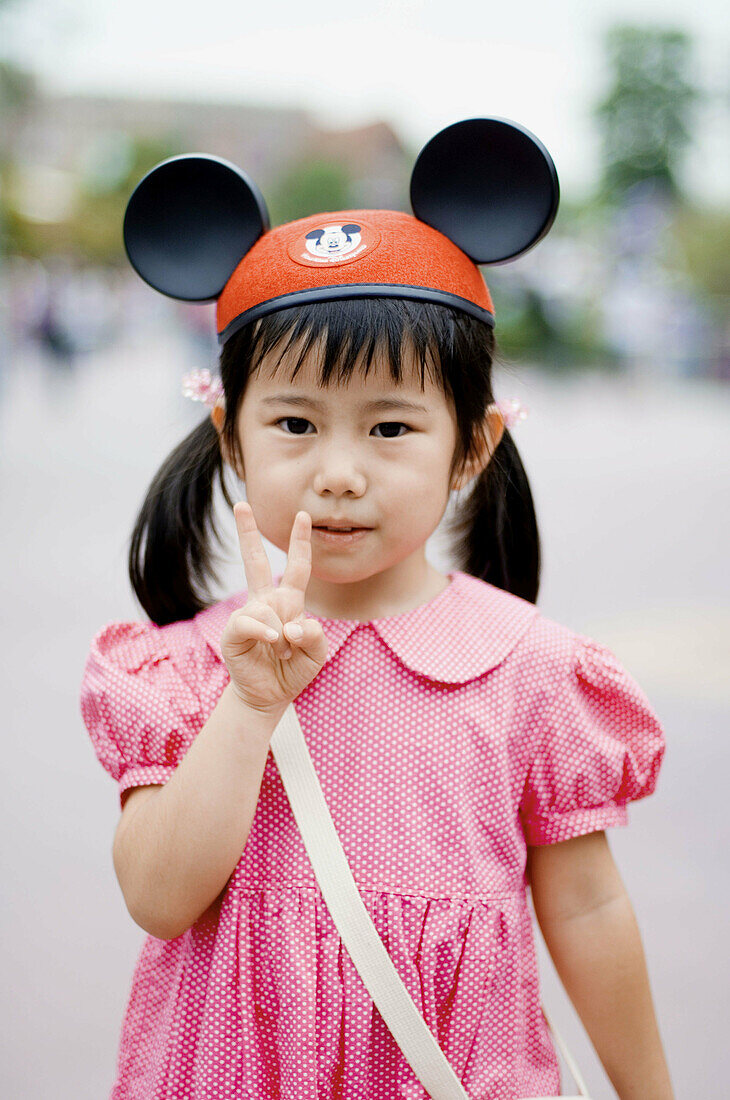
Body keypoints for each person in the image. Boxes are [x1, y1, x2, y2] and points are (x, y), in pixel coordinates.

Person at [80, 119, 674, 1099]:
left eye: (391, 424)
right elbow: (156, 894)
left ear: (473, 444)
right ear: (231, 433)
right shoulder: (181, 668)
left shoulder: (527, 668)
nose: (341, 471)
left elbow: (587, 906)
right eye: (295, 422)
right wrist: (249, 704)